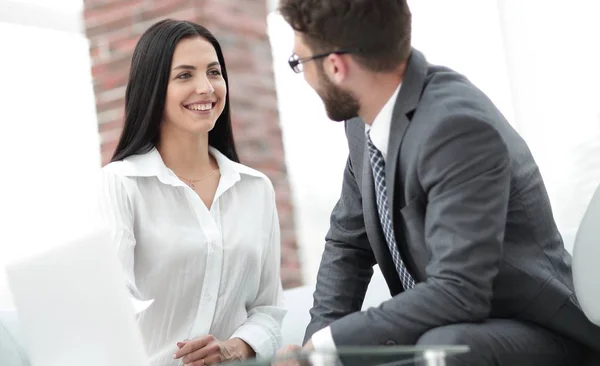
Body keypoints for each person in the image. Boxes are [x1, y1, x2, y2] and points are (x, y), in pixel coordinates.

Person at [276, 0, 600, 365]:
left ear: (336, 66)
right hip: (459, 327)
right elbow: (348, 245)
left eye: (298, 63)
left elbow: (460, 291)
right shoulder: (364, 121)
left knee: (442, 347)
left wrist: (327, 349)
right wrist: (313, 348)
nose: (303, 75)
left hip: (538, 330)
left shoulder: (455, 126)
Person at [98, 19, 286, 366]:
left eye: (213, 72)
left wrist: (234, 347)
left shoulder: (255, 189)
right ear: (153, 88)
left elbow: (268, 309)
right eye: (185, 75)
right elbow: (110, 310)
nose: (206, 88)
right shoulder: (121, 184)